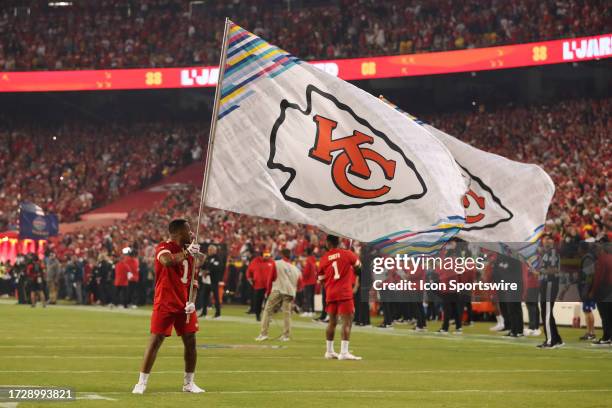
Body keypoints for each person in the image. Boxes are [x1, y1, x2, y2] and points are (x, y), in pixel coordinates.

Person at [132, 218, 204, 394]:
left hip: (184, 304)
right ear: (179, 233)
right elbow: (167, 261)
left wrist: (192, 302)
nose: (192, 233)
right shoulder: (164, 247)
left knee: (191, 342)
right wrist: (187, 253)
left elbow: (194, 281)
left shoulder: (192, 253)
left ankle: (189, 383)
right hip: (165, 302)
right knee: (155, 341)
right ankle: (141, 383)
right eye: (188, 230)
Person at [318, 234, 361, 360]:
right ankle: (343, 352)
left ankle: (329, 351)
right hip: (344, 292)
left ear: (328, 243)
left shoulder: (324, 258)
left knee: (332, 322)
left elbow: (321, 279)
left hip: (331, 293)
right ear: (338, 242)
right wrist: (352, 269)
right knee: (347, 322)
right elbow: (359, 266)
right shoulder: (347, 253)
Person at [255, 249, 301, 341]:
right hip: (290, 292)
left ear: (281, 254)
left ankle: (263, 334)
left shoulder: (276, 263)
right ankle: (286, 336)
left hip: (278, 289)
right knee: (287, 314)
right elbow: (300, 284)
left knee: (267, 311)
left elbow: (270, 278)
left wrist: (268, 292)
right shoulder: (295, 268)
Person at [537, 235, 564, 349]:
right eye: (545, 239)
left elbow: (554, 270)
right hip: (547, 284)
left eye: (548, 239)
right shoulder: (547, 253)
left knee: (546, 313)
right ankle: (556, 338)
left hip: (549, 284)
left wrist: (539, 272)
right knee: (547, 313)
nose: (545, 241)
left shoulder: (551, 253)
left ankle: (550, 341)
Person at [246, 250, 275, 321]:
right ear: (262, 255)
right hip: (258, 285)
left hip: (269, 286)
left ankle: (268, 316)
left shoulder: (272, 262)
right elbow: (249, 271)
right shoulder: (255, 261)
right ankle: (258, 315)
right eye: (266, 255)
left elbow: (276, 272)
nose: (268, 256)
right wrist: (249, 278)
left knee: (269, 302)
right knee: (258, 301)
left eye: (268, 255)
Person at [199, 244, 224, 319]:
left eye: (210, 250)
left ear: (214, 250)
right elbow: (203, 267)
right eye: (208, 249)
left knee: (216, 297)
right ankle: (204, 312)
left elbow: (217, 268)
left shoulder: (217, 258)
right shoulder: (207, 258)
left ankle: (218, 313)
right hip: (206, 281)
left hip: (213, 280)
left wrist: (208, 272)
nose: (209, 251)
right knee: (205, 297)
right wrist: (203, 270)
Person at [300, 248, 317, 317]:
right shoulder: (313, 260)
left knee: (307, 296)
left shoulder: (308, 260)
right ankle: (312, 311)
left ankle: (307, 311)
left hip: (308, 281)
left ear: (307, 253)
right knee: (311, 296)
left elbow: (306, 272)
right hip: (313, 281)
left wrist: (303, 274)